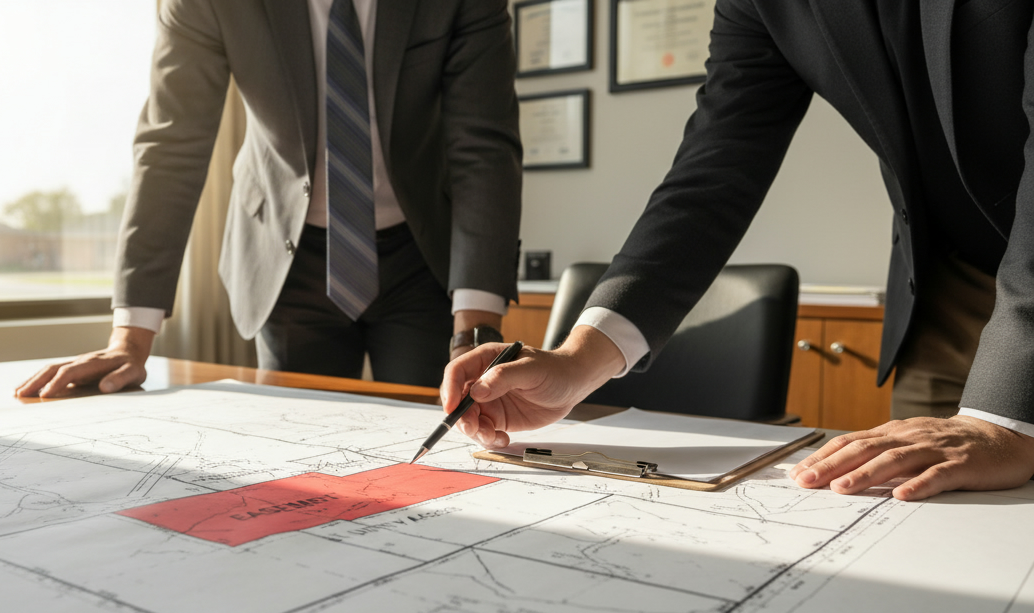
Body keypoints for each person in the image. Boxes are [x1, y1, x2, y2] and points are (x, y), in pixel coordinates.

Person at [442, 0, 1034, 502]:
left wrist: (1002, 417)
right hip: (951, 274)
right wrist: (579, 361)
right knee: (919, 505)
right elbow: (714, 171)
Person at [17, 0, 521, 398]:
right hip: (286, 256)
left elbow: (484, 149)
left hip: (422, 256)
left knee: (437, 433)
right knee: (299, 457)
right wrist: (130, 338)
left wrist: (474, 330)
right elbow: (171, 147)